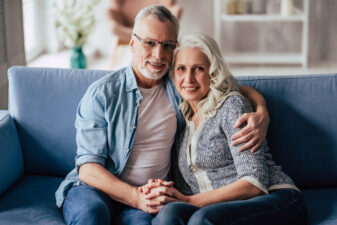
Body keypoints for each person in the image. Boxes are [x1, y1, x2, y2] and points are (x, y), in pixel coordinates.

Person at [55, 5, 270, 225]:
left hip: (150, 194)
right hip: (96, 190)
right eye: (149, 43)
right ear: (132, 43)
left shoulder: (179, 85)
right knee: (91, 215)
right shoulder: (102, 94)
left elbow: (224, 85)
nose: (158, 55)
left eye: (167, 46)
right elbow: (88, 168)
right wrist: (134, 197)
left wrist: (262, 111)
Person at [141, 33, 307, 225]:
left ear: (212, 72)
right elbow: (184, 190)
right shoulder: (182, 122)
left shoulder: (231, 106)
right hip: (217, 209)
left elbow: (255, 184)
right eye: (181, 69)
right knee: (169, 214)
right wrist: (161, 190)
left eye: (198, 69)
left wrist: (190, 201)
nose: (188, 78)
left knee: (202, 219)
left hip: (275, 198)